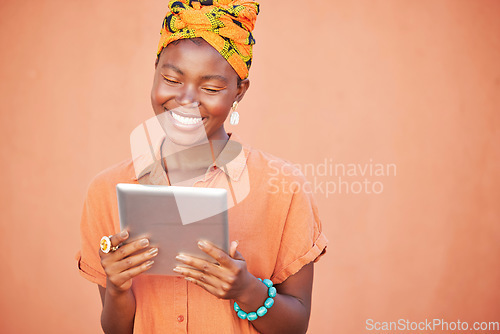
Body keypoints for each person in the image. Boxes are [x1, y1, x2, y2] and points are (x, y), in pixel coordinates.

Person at [76, 1, 328, 333]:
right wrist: (117, 287)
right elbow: (115, 329)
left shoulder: (283, 188)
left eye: (210, 88)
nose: (187, 100)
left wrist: (246, 290)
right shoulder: (107, 191)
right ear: (155, 70)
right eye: (171, 78)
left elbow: (296, 326)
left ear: (239, 91)